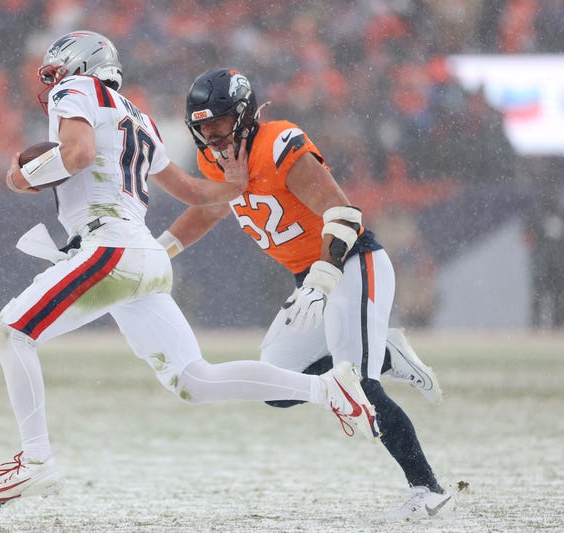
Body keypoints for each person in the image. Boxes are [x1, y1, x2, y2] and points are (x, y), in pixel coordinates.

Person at [0, 31, 380, 508]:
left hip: (109, 247)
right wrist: (236, 183)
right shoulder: (139, 117)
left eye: (57, 72)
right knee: (195, 379)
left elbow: (79, 154)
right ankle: (326, 387)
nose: (54, 83)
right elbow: (193, 192)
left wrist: (23, 176)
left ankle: (36, 461)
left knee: (12, 333)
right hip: (142, 253)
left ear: (81, 67)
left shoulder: (76, 91)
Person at [156, 68, 451, 520]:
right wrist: (162, 251)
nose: (211, 136)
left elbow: (345, 215)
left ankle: (427, 488)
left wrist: (323, 280)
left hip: (351, 264)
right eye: (203, 127)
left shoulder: (277, 144)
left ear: (244, 116)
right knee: (276, 384)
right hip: (308, 278)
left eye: (218, 124)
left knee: (359, 384)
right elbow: (209, 209)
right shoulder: (216, 161)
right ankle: (387, 354)